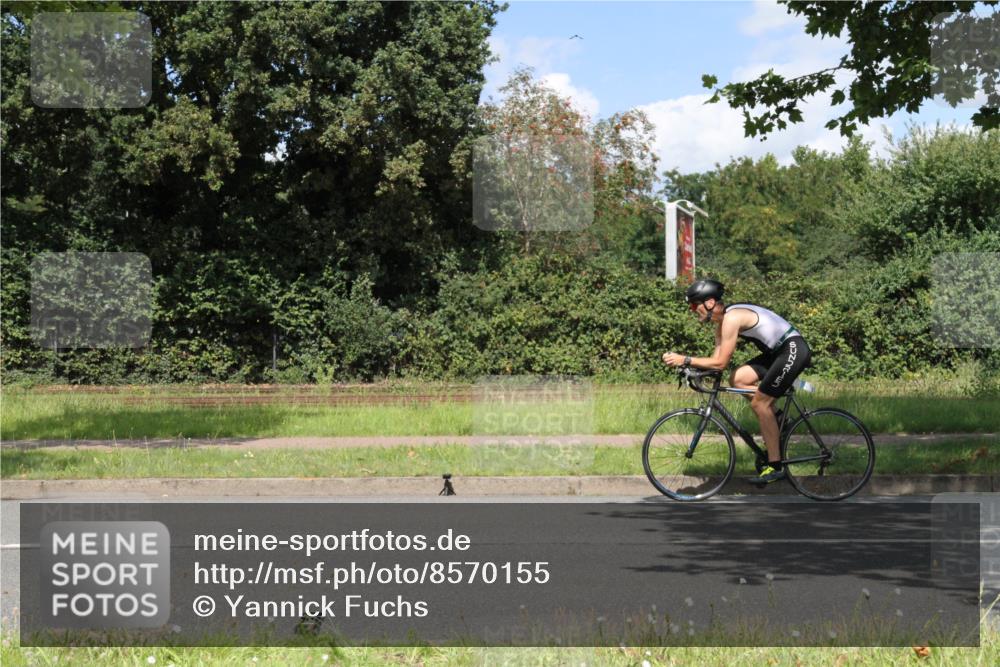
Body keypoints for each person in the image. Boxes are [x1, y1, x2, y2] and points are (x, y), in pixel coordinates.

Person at [661, 279, 811, 484]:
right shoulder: (721, 323)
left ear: (710, 302)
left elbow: (720, 363)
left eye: (695, 305)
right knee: (738, 378)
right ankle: (778, 419)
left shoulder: (731, 319)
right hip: (777, 353)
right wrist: (692, 369)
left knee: (760, 403)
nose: (692, 310)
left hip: (792, 349)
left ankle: (776, 467)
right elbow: (714, 362)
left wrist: (685, 359)